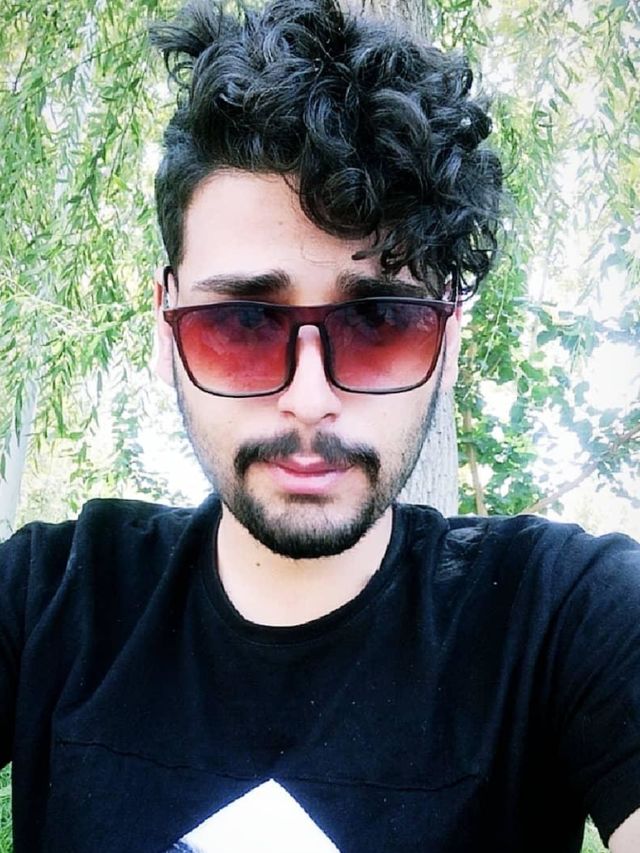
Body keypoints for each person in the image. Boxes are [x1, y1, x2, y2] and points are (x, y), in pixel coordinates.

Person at [0, 1, 638, 851]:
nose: (309, 399)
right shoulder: (48, 599)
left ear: (448, 341)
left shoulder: (563, 618)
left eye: (380, 323)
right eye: (241, 324)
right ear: (166, 327)